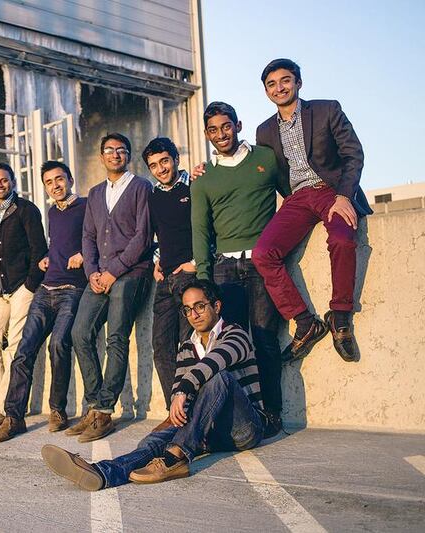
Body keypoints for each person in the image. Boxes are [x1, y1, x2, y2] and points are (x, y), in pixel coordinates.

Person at [41, 280, 266, 490]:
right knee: (155, 440)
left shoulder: (236, 334)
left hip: (244, 428)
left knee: (219, 377)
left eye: (200, 306)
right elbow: (180, 397)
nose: (194, 315)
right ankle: (103, 472)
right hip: (207, 431)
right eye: (187, 309)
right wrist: (168, 426)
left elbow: (214, 362)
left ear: (216, 306)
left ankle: (175, 458)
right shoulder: (187, 347)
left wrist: (184, 390)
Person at [252, 58, 368, 363]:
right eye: (272, 84)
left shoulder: (326, 109)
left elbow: (353, 153)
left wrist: (344, 195)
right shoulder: (264, 131)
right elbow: (266, 171)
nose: (279, 88)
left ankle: (340, 316)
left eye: (285, 80)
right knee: (263, 253)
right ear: (266, 91)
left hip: (332, 191)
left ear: (298, 82)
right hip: (297, 199)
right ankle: (305, 323)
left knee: (343, 240)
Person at [191, 101, 286, 437]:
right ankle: (232, 414)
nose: (221, 134)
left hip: (262, 264)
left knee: (264, 339)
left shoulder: (265, 159)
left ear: (238, 125)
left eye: (226, 126)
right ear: (206, 134)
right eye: (213, 130)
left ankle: (272, 413)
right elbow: (200, 232)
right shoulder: (203, 179)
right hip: (223, 270)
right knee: (229, 345)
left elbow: (293, 200)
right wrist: (204, 283)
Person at [0, 161, 87, 443]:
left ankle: (57, 410)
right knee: (23, 350)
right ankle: (14, 417)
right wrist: (48, 256)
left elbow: (97, 239)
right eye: (49, 182)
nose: (55, 185)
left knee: (59, 344)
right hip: (46, 289)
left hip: (73, 288)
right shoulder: (52, 212)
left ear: (69, 179)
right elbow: (55, 243)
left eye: (59, 179)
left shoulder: (85, 206)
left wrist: (83, 254)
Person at [68, 133, 152, 442]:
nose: (115, 155)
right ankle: (94, 404)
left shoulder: (142, 187)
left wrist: (113, 272)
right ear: (101, 157)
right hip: (99, 275)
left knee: (117, 337)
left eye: (121, 150)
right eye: (109, 151)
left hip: (131, 273)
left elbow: (142, 237)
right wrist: (92, 272)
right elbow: (87, 237)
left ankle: (104, 411)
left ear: (128, 156)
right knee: (79, 333)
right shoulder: (94, 193)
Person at [0, 162, 48, 429]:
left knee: (14, 347)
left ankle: (3, 407)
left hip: (22, 289)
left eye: (4, 181)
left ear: (12, 182)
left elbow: (39, 250)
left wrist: (29, 285)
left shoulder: (27, 210)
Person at [142, 137, 195, 412]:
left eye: (164, 161)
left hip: (191, 277)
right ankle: (174, 411)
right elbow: (158, 233)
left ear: (175, 158)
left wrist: (195, 262)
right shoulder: (154, 195)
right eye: (153, 165)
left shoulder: (195, 185)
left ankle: (193, 409)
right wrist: (156, 261)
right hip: (165, 280)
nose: (160, 168)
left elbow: (209, 226)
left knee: (189, 348)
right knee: (161, 347)